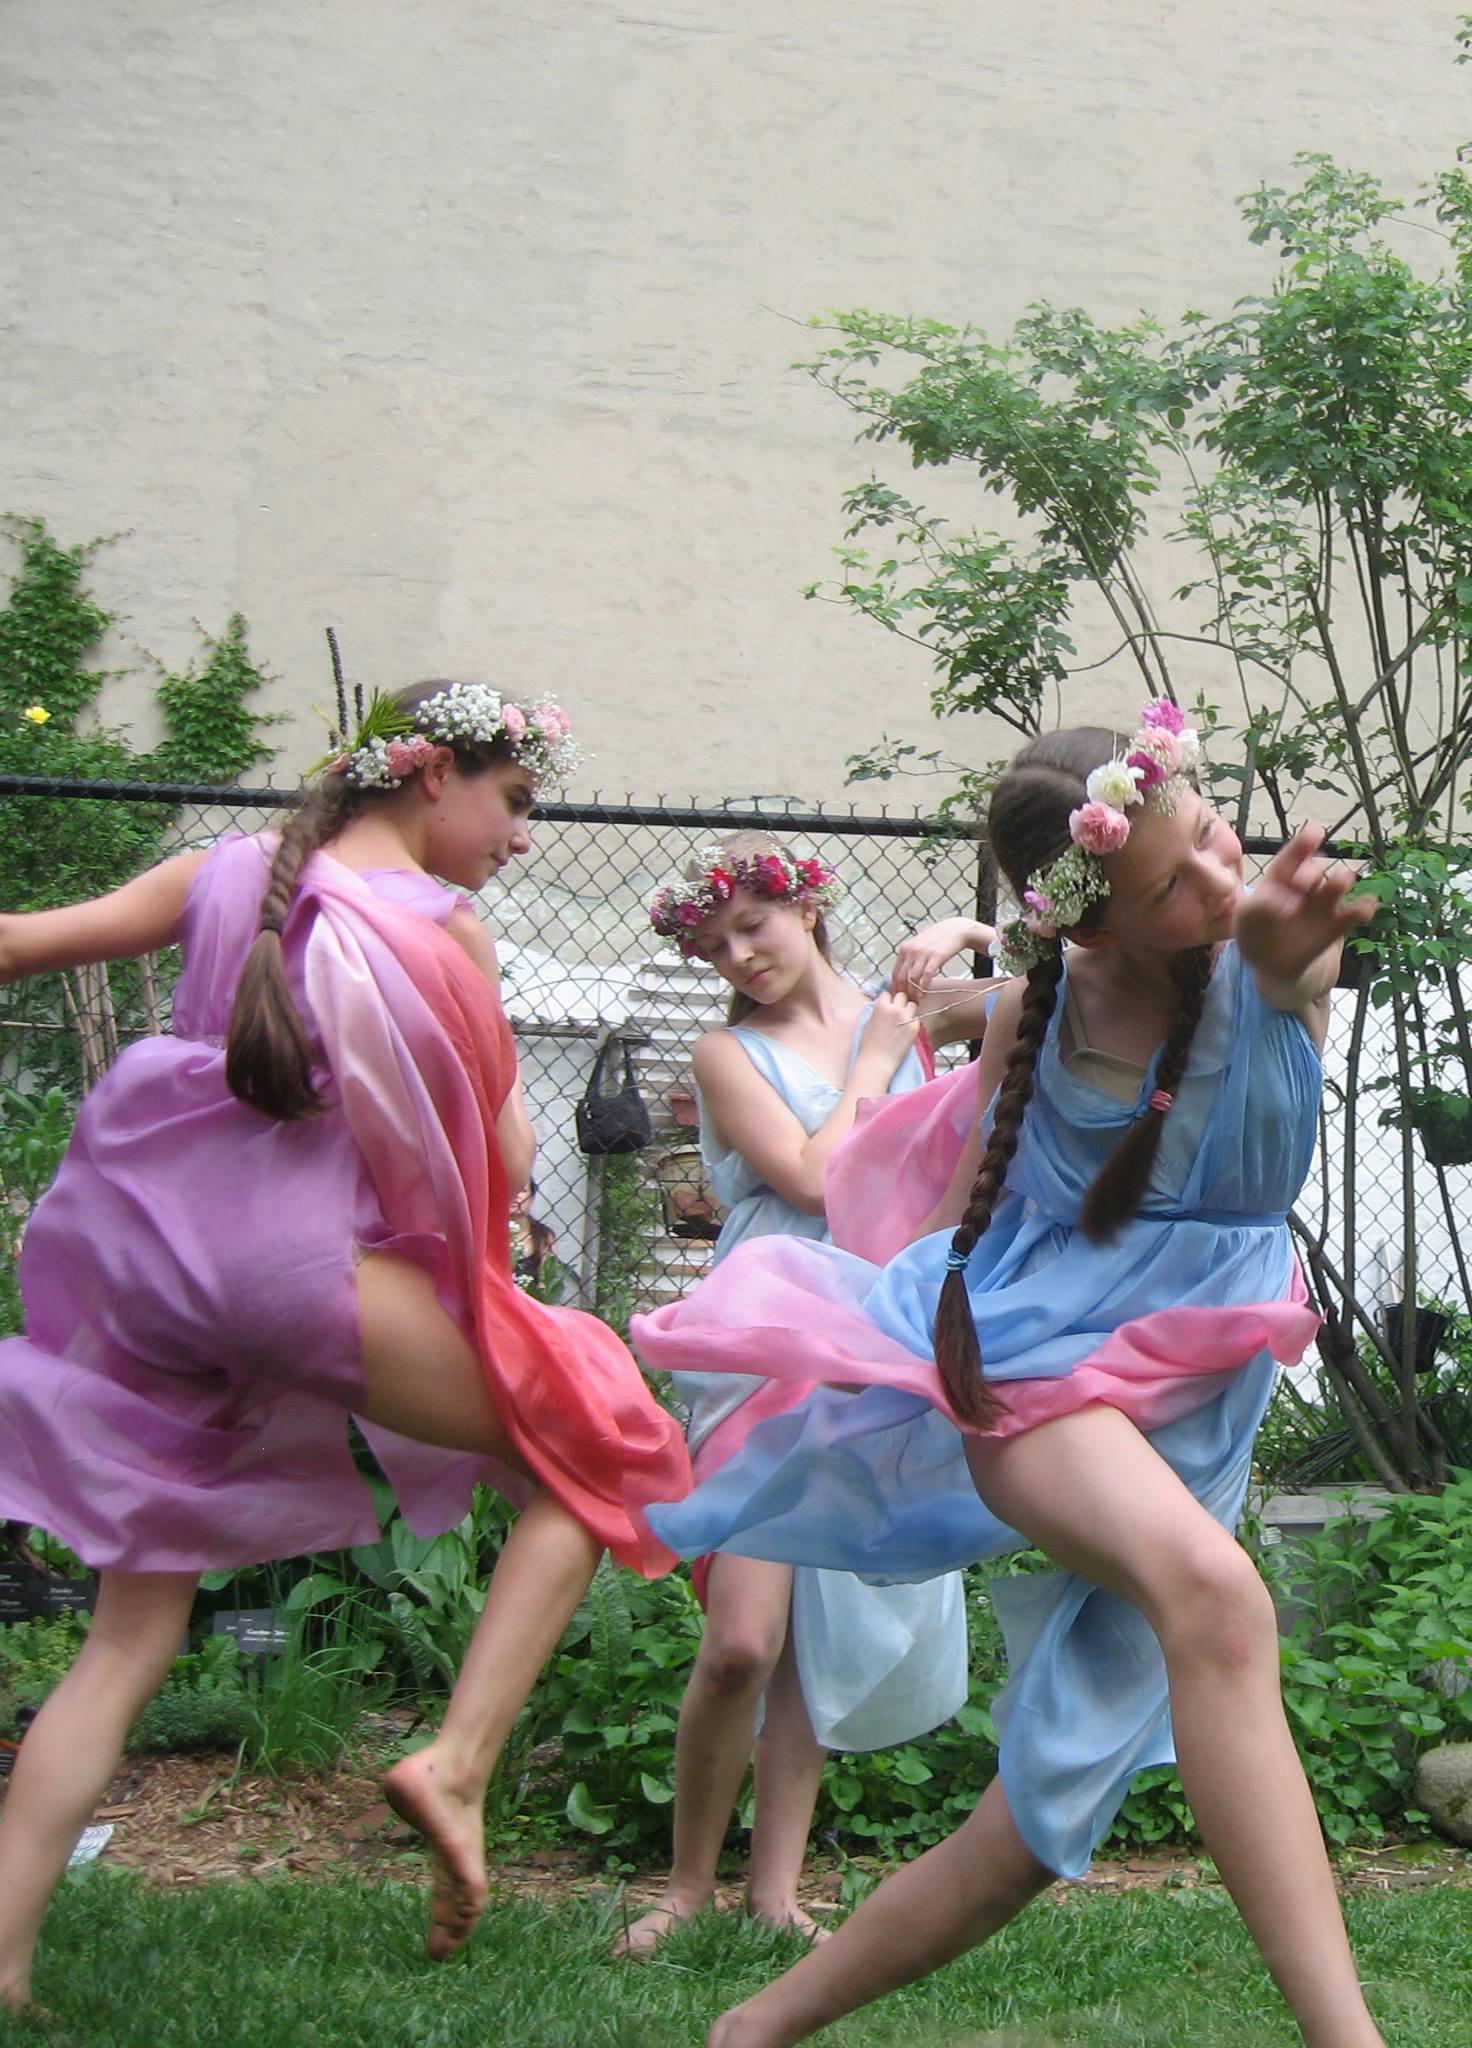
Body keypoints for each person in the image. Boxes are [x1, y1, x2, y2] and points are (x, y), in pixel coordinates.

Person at [635, 711, 1386, 2048]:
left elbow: (1268, 967)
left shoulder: (1271, 945)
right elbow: (960, 1208)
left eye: (1212, 830)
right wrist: (851, 1352)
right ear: (1093, 927)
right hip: (1036, 1374)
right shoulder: (1045, 1017)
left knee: (1043, 1811)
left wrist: (1270, 956)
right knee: (1218, 1604)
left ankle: (753, 2029)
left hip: (1188, 1406)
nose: (1219, 879)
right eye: (1173, 884)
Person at [0, 680, 691, 2011]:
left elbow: (20, 939)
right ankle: (459, 1763)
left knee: (126, 1644)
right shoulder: (443, 928)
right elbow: (504, 1157)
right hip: (287, 1271)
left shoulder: (221, 872)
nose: (525, 836)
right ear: (432, 777)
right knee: (602, 1443)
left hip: (150, 1263)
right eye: (517, 800)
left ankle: (7, 1967)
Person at [616, 834, 997, 1955]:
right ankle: (686, 1885)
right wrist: (876, 1062)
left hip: (873, 1318)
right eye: (714, 943)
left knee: (815, 1633)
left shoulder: (911, 1006)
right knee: (741, 1636)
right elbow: (809, 1176)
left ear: (807, 907)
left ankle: (771, 1892)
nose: (739, 955)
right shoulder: (726, 1051)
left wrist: (958, 935)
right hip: (764, 1325)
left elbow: (1054, 982)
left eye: (754, 926)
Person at [510, 1177, 580, 1303]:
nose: (515, 1195)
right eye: (510, 1190)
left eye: (522, 1190)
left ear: (531, 1198)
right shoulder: (486, 1233)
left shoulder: (543, 1236)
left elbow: (546, 1282)